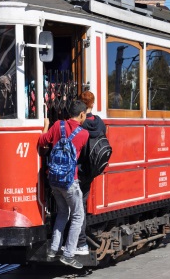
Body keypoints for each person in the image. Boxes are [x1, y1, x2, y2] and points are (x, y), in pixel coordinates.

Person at [38, 100, 89, 269]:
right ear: (81, 114)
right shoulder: (83, 134)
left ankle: (53, 249)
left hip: (54, 180)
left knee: (62, 213)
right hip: (70, 181)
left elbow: (41, 141)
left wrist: (46, 125)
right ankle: (68, 254)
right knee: (77, 216)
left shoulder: (57, 125)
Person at [76, 90, 106, 255]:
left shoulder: (80, 124)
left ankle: (79, 242)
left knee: (76, 207)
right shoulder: (100, 123)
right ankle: (79, 241)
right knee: (81, 204)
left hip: (79, 170)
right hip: (92, 169)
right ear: (93, 104)